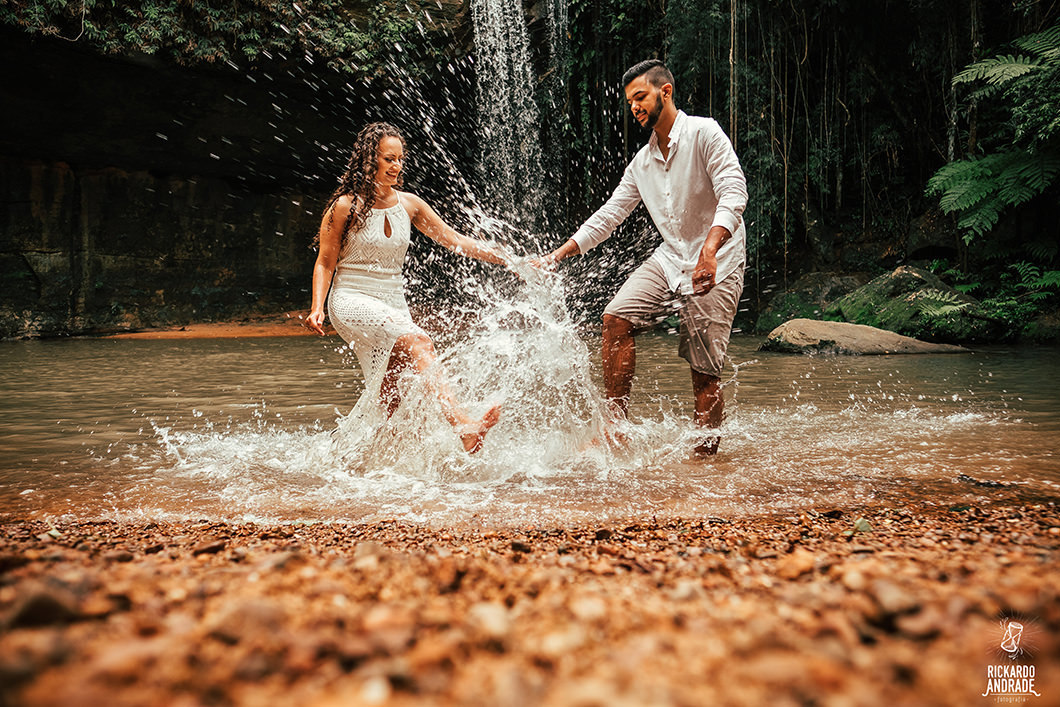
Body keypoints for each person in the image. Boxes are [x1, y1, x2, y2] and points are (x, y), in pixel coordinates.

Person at [536, 59, 748, 456]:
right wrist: (559, 254)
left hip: (718, 261)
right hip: (671, 258)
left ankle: (705, 465)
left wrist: (709, 249)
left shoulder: (704, 133)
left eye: (640, 97)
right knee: (615, 319)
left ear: (665, 92)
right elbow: (610, 215)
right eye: (630, 102)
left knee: (704, 373)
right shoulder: (642, 163)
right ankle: (616, 427)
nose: (634, 107)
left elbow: (734, 191)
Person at [307, 122, 509, 453]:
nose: (396, 166)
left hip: (392, 301)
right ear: (369, 159)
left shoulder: (410, 204)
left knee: (396, 392)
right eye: (389, 159)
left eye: (400, 159)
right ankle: (463, 426)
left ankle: (354, 457)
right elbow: (325, 263)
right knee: (419, 341)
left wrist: (511, 260)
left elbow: (456, 240)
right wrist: (317, 307)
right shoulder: (344, 206)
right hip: (350, 298)